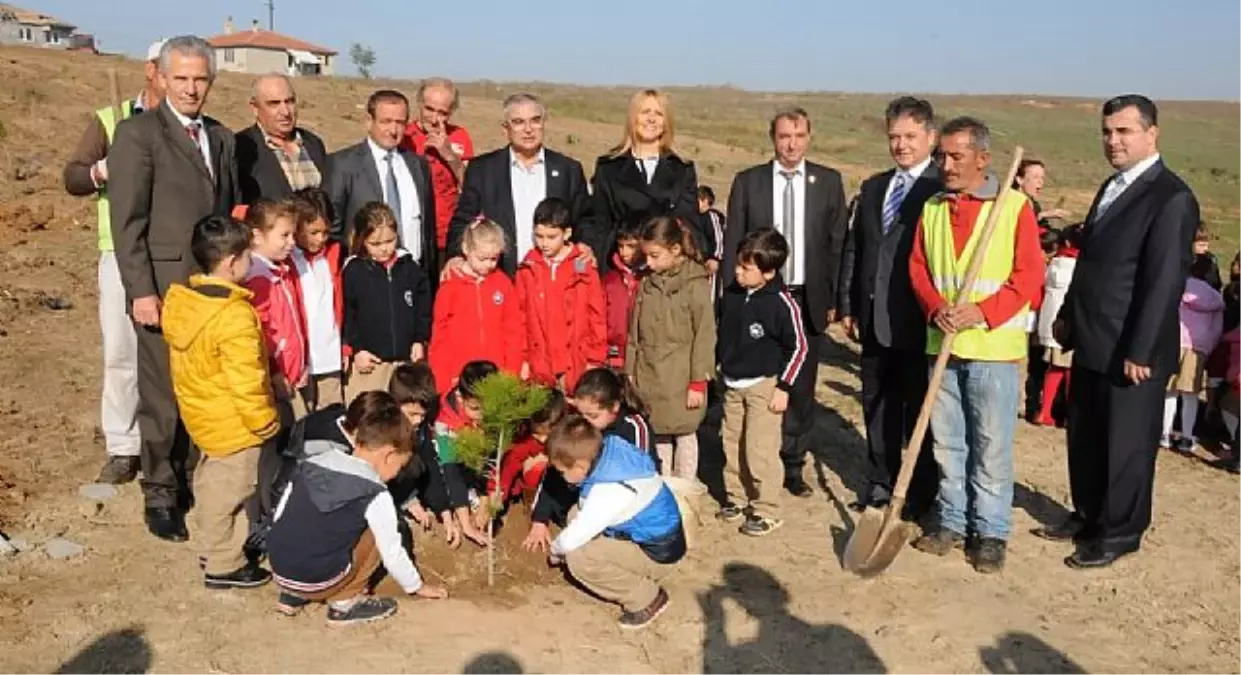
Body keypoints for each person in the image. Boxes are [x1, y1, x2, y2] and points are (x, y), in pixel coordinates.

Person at [1044, 95, 1200, 569]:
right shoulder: (1112, 187)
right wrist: (1069, 318)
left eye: (1124, 131)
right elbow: (1091, 262)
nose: (1113, 141)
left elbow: (1163, 281)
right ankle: (1089, 515)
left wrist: (1142, 349)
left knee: (1126, 446)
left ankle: (1120, 533)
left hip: (1133, 348)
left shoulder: (1170, 197)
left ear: (1152, 134)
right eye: (1107, 132)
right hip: (1093, 338)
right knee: (1087, 437)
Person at [108, 35, 240, 541]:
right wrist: (141, 289)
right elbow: (128, 222)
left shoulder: (220, 137)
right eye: (180, 78)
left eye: (199, 79)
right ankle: (160, 492)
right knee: (162, 393)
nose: (190, 88)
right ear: (161, 78)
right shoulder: (137, 135)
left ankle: (192, 479)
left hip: (208, 289)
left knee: (202, 386)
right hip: (162, 288)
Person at [908, 116, 1044, 574]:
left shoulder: (1013, 207)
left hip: (993, 350)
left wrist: (982, 312)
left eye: (956, 156)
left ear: (982, 159)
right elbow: (919, 269)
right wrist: (934, 306)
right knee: (947, 442)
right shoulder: (931, 208)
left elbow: (1028, 275)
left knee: (990, 446)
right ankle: (951, 519)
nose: (946, 164)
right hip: (941, 342)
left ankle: (989, 531)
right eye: (942, 155)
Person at [722, 107, 848, 497]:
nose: (791, 144)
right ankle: (748, 463)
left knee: (799, 386)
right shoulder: (749, 182)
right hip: (760, 298)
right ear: (772, 138)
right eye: (783, 136)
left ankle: (792, 464)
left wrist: (835, 300)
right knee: (756, 383)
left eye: (798, 135)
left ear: (809, 137)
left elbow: (838, 244)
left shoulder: (828, 182)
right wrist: (732, 297)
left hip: (806, 298)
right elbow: (733, 244)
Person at [62, 39, 166, 485]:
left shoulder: (189, 127)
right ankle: (123, 447)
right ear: (151, 71)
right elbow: (72, 177)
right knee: (122, 353)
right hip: (121, 251)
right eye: (169, 72)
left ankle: (169, 441)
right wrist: (103, 170)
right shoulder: (111, 121)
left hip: (172, 253)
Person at [161, 214, 280, 589]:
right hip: (234, 421)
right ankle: (223, 563)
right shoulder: (234, 317)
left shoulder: (184, 303)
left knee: (212, 480)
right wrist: (263, 420)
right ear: (232, 263)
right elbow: (247, 379)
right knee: (230, 490)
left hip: (202, 412)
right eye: (247, 255)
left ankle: (214, 547)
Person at [837, 96, 942, 515]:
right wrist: (848, 302)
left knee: (920, 412)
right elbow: (856, 250)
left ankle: (918, 493)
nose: (901, 145)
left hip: (919, 323)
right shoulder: (875, 187)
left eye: (910, 137)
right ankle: (880, 483)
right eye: (894, 137)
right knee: (877, 407)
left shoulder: (940, 189)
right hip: (874, 320)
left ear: (931, 138)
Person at [267, 391, 448, 626]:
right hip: (319, 580)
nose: (396, 475)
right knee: (377, 532)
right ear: (389, 454)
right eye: (400, 467)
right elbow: (391, 552)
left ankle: (291, 598)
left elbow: (279, 515)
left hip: (280, 571)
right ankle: (344, 604)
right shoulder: (374, 490)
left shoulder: (311, 464)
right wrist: (418, 587)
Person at [546, 415, 685, 630]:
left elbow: (573, 538)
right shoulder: (609, 450)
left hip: (657, 556)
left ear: (580, 467)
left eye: (562, 471)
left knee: (579, 557)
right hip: (659, 535)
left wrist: (555, 552)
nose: (561, 476)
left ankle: (646, 599)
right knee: (576, 513)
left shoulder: (609, 490)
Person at [715, 229, 808, 536]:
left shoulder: (782, 303)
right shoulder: (732, 294)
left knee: (760, 449)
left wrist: (784, 387)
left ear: (768, 272)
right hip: (731, 382)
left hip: (764, 386)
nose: (738, 272)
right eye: (738, 266)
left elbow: (798, 348)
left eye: (746, 268)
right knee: (731, 442)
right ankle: (737, 497)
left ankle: (767, 508)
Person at [445, 93, 591, 277]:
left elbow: (586, 219)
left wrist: (586, 244)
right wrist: (457, 255)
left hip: (553, 280)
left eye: (535, 120)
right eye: (519, 122)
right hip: (500, 277)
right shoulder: (482, 169)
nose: (528, 129)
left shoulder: (569, 170)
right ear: (505, 129)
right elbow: (463, 220)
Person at [523, 366, 654, 552]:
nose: (584, 421)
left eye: (592, 416)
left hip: (621, 505)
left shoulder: (634, 428)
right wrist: (540, 519)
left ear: (614, 407)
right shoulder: (580, 426)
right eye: (580, 413)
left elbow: (643, 477)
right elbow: (554, 470)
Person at [626, 217, 716, 480]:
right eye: (646, 256)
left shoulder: (695, 284)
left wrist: (698, 381)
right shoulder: (646, 283)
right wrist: (630, 370)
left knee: (685, 432)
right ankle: (662, 485)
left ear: (675, 250)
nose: (649, 263)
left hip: (681, 373)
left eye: (654, 256)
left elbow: (704, 335)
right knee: (658, 432)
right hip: (650, 372)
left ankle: (685, 490)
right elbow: (635, 331)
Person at [586, 89, 706, 271]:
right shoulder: (608, 167)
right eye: (645, 112)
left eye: (658, 114)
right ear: (633, 118)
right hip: (619, 269)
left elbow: (690, 225)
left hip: (665, 272)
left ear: (666, 123)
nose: (651, 119)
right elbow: (600, 225)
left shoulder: (682, 169)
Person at [327, 90, 436, 273]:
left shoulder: (418, 165)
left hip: (413, 275)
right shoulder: (343, 165)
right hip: (366, 277)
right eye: (386, 122)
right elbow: (332, 228)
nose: (393, 130)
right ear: (369, 121)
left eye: (400, 123)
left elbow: (427, 230)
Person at [341, 203, 432, 401]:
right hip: (371, 362)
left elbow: (423, 308)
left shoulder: (409, 267)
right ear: (362, 240)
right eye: (376, 243)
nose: (384, 249)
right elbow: (347, 314)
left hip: (405, 362)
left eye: (390, 241)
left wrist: (419, 339)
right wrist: (356, 349)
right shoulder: (354, 271)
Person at [516, 197, 607, 393]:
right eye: (539, 236)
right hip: (540, 362)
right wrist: (523, 359)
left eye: (551, 237)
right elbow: (521, 318)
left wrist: (595, 359)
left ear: (567, 233)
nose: (544, 243)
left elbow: (596, 315)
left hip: (575, 361)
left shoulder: (582, 266)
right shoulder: (527, 268)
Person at [428, 219, 525, 391]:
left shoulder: (502, 284)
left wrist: (511, 373)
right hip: (459, 375)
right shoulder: (450, 286)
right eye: (482, 258)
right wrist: (442, 379)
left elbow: (513, 330)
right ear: (466, 249)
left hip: (496, 374)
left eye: (494, 259)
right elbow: (440, 337)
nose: (489, 264)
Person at [242, 199, 308, 419]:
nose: (292, 242)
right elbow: (262, 331)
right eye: (284, 235)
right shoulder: (258, 278)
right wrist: (276, 372)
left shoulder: (281, 271)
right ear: (258, 236)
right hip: (277, 379)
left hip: (292, 375)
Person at [401, 77, 474, 269]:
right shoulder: (404, 136)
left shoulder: (459, 136)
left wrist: (449, 155)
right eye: (429, 109)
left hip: (446, 235)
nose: (435, 119)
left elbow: (471, 187)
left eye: (443, 113)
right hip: (411, 232)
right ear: (419, 104)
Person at [289, 187, 345, 411]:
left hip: (329, 356)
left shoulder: (334, 254)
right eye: (313, 232)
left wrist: (346, 347)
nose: (321, 239)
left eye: (325, 232)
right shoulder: (287, 260)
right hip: (299, 361)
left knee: (331, 418)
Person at [475, 390, 568, 524]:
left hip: (564, 484)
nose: (542, 440)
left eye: (548, 435)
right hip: (537, 481)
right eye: (537, 434)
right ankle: (532, 506)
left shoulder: (570, 434)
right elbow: (508, 467)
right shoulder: (524, 441)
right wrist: (498, 492)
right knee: (536, 468)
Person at [1161, 256, 1223, 451]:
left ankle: (1164, 433)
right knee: (1190, 395)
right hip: (1197, 347)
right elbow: (1217, 329)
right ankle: (1187, 436)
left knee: (1169, 390)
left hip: (1174, 341)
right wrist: (1207, 348)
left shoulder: (1179, 287)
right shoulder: (1216, 298)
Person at [433, 360, 497, 547]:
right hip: (453, 468)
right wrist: (466, 524)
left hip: (480, 471)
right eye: (475, 409)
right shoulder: (445, 423)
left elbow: (494, 461)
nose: (482, 416)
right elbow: (450, 469)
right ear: (460, 397)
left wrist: (487, 502)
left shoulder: (499, 415)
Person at [235, 74, 328, 204]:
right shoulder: (241, 147)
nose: (285, 112)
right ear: (255, 108)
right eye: (274, 104)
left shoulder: (313, 143)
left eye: (289, 101)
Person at [1033, 226, 1080, 427]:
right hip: (1066, 326)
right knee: (1068, 371)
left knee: (1056, 369)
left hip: (1050, 323)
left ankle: (1045, 411)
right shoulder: (1076, 267)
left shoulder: (1054, 263)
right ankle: (1068, 414)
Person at [603, 213, 646, 369]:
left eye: (631, 246)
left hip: (644, 357)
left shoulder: (650, 278)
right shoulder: (610, 280)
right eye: (620, 246)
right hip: (614, 356)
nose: (624, 252)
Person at [1013, 159, 1071, 228]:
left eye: (1042, 178)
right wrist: (1043, 215)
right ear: (1020, 180)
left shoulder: (1033, 204)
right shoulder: (1012, 202)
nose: (1040, 181)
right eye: (1035, 177)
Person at [698, 185, 727, 273]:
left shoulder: (712, 216)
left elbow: (719, 238)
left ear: (705, 201)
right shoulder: (694, 216)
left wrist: (715, 258)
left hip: (710, 260)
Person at [1193, 225, 1222, 291]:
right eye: (1201, 245)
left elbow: (1216, 285)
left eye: (1207, 245)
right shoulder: (1184, 261)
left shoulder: (1211, 260)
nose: (1206, 248)